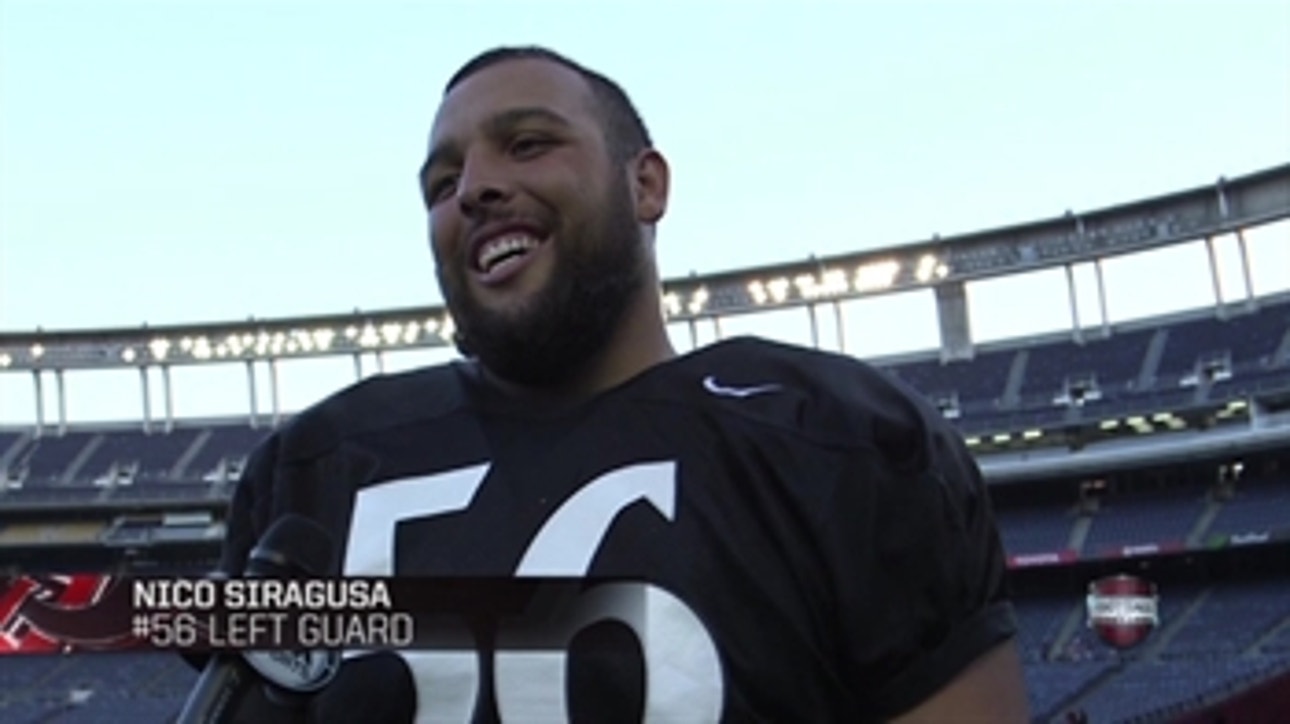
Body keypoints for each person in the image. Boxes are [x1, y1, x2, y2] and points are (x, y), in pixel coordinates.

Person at [216, 45, 1029, 722]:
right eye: (442, 183)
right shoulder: (314, 474)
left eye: (528, 143)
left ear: (645, 185)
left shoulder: (837, 438)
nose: (473, 189)